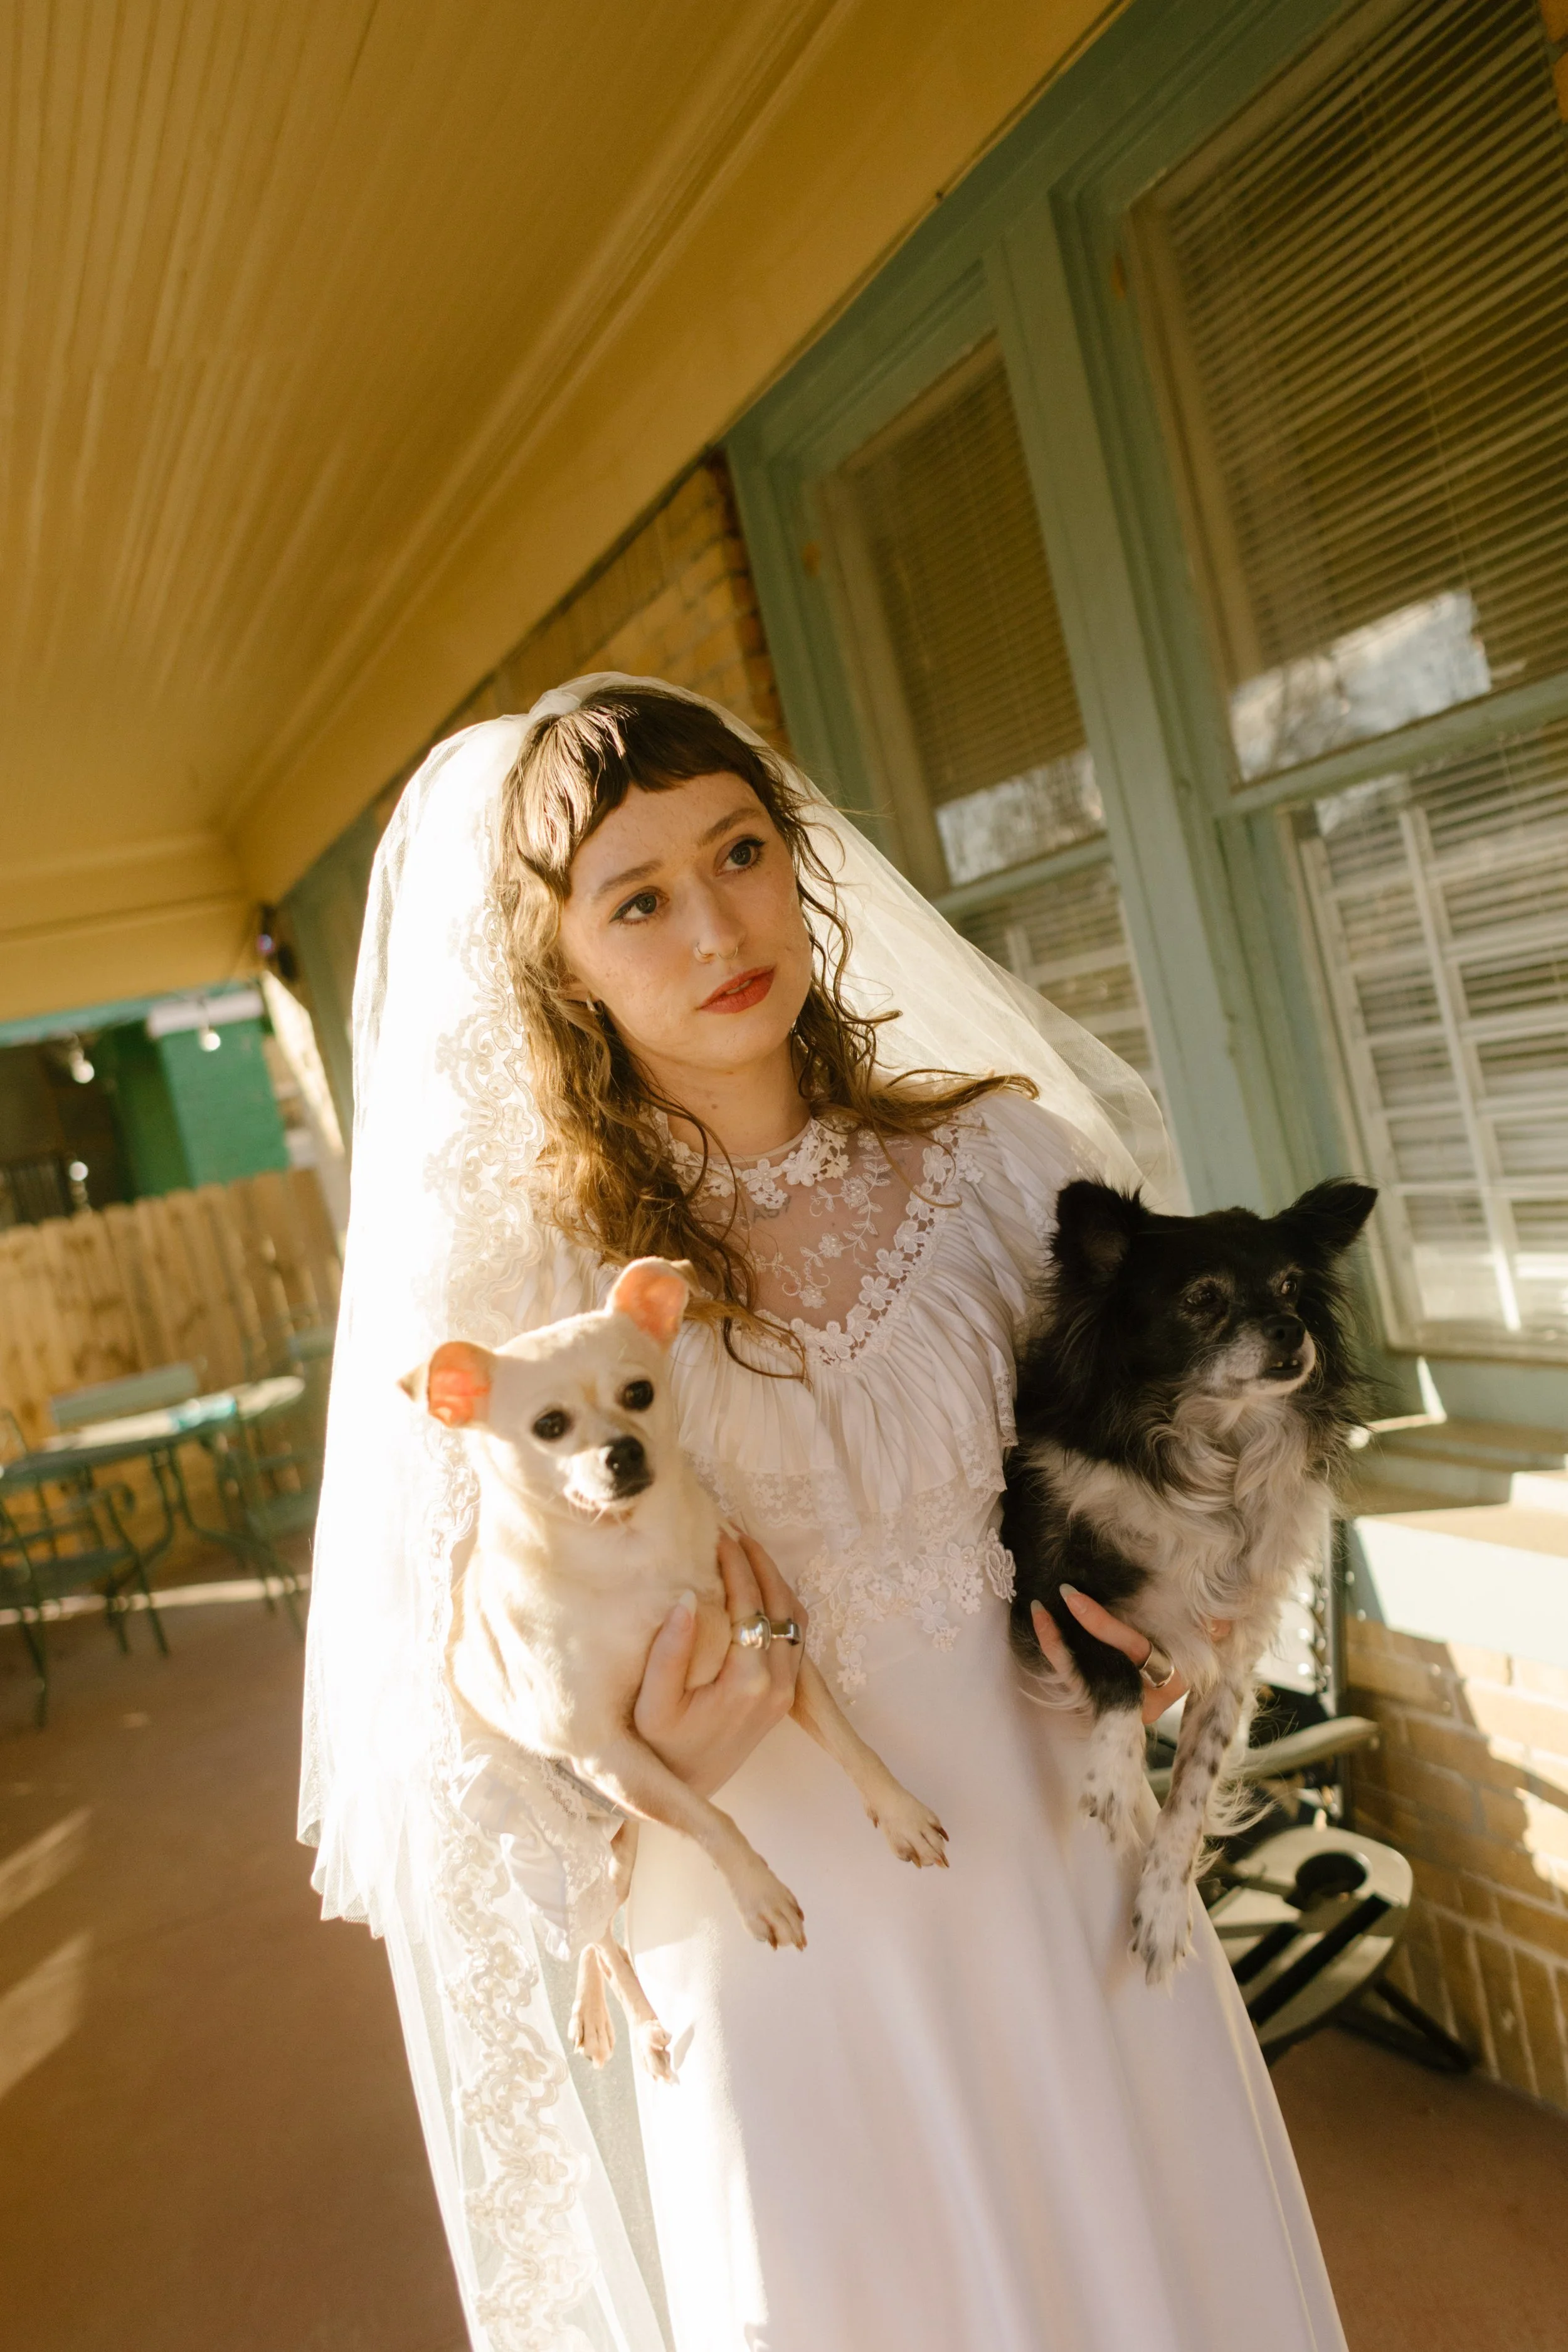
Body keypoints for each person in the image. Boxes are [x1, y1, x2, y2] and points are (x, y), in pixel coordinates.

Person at [301, 677, 1347, 2352]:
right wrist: (647, 1774)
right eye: (638, 898)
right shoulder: (532, 1295)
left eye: (740, 852)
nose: (717, 922)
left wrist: (1169, 1618)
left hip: (1055, 1884)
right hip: (775, 1940)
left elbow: (1194, 1460)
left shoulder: (1010, 1170)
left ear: (798, 862)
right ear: (555, 956)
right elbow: (457, 1723)